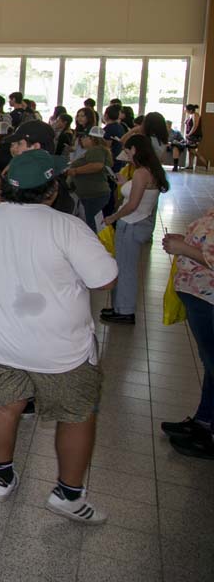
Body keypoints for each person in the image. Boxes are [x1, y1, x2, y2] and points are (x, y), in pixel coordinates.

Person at [0, 150, 116, 523]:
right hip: (62, 348)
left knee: (2, 406)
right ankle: (68, 495)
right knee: (76, 415)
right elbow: (104, 278)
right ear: (51, 189)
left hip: (1, 344)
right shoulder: (67, 227)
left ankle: (0, 477)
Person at [100, 134, 169, 325]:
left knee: (125, 268)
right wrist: (124, 184)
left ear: (135, 150)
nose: (127, 155)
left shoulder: (141, 173)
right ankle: (120, 307)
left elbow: (132, 204)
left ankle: (124, 310)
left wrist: (113, 217)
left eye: (128, 151)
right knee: (125, 266)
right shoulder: (151, 171)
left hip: (131, 223)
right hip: (139, 222)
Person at [161, 213, 214, 460]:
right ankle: (204, 421)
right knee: (210, 364)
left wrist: (184, 248)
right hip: (199, 298)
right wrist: (188, 241)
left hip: (209, 299)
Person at [66, 126, 112, 230]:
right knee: (92, 222)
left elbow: (97, 166)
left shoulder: (96, 150)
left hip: (94, 194)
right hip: (91, 194)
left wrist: (75, 171)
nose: (81, 140)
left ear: (91, 138)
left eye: (83, 137)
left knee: (92, 225)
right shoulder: (95, 150)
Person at [178, 103, 202, 171]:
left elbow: (195, 126)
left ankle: (205, 162)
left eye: (186, 109)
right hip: (191, 135)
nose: (185, 111)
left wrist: (189, 134)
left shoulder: (195, 115)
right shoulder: (191, 115)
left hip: (195, 135)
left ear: (190, 110)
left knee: (192, 149)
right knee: (190, 150)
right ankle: (190, 165)